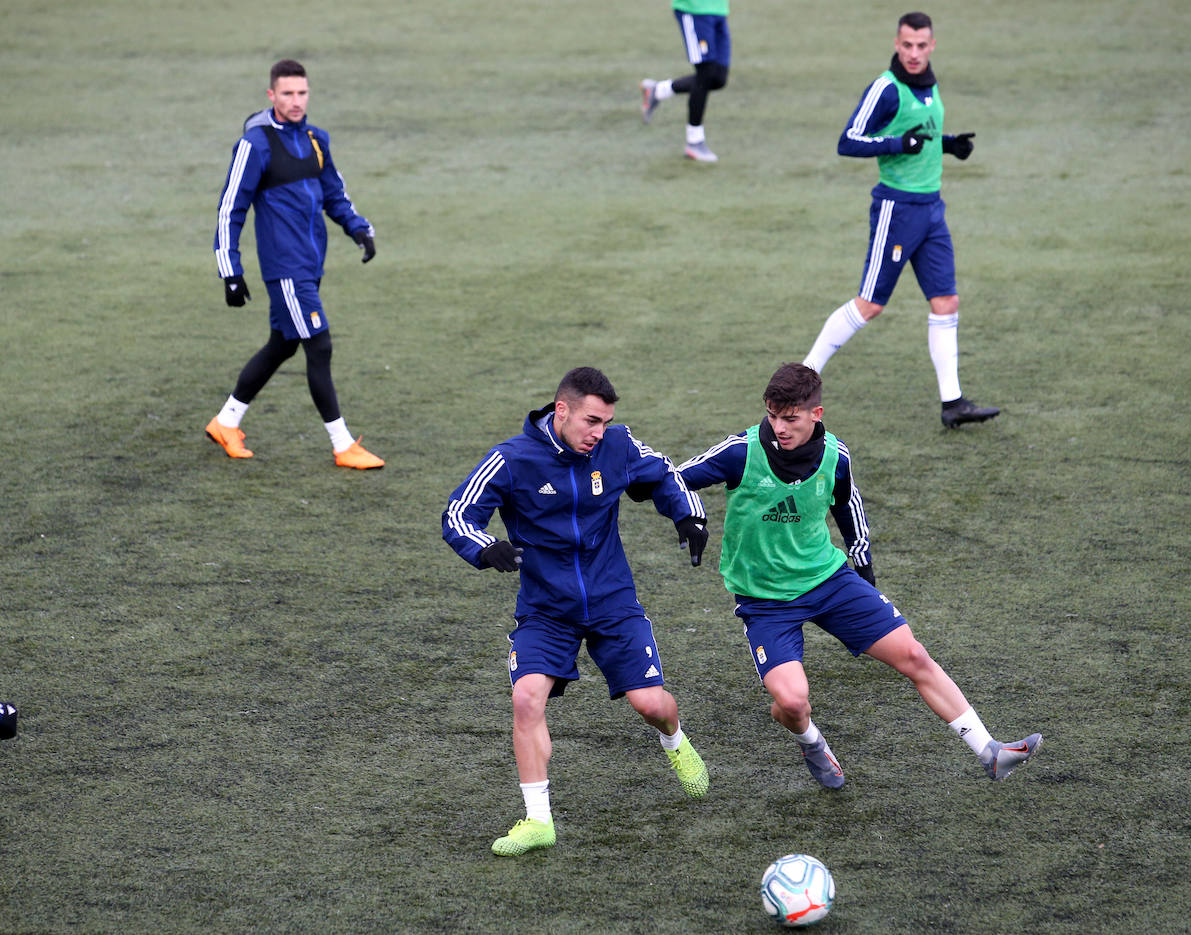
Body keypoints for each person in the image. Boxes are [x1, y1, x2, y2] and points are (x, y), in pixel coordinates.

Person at [678, 363, 1040, 787]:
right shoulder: (741, 451)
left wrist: (862, 563)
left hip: (829, 581)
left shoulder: (835, 454)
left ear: (816, 414)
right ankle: (812, 743)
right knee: (791, 703)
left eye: (790, 418)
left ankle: (990, 751)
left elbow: (847, 505)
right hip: (765, 600)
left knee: (914, 655)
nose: (778, 426)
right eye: (773, 416)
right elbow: (673, 479)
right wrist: (689, 513)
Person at [441, 367, 713, 856]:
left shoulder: (617, 445)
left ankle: (675, 742)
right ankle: (538, 820)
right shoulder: (511, 459)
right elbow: (459, 511)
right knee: (526, 698)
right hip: (546, 609)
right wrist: (484, 548)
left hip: (612, 600)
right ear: (560, 410)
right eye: (591, 421)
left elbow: (664, 473)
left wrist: (688, 513)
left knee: (651, 705)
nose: (598, 433)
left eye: (606, 422)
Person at [802, 12, 998, 429]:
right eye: (906, 45)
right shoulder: (885, 89)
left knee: (946, 302)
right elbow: (848, 140)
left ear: (932, 46)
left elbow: (918, 137)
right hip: (897, 210)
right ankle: (802, 379)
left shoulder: (929, 85)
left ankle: (953, 403)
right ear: (896, 42)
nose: (913, 53)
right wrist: (897, 143)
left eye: (921, 46)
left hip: (932, 210)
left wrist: (947, 145)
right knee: (870, 304)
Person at [207, 59, 384, 469]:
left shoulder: (316, 139)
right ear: (271, 95)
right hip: (285, 269)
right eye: (287, 93)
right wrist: (230, 270)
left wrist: (358, 228)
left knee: (283, 344)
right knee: (318, 346)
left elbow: (334, 194)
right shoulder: (255, 145)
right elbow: (230, 208)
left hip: (310, 264)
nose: (296, 100)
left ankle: (226, 421)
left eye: (302, 93)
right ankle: (342, 445)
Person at [640, 0, 731, 162]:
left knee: (718, 78)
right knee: (706, 72)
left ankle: (658, 90)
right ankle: (694, 142)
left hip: (718, 8)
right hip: (694, 9)